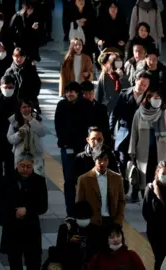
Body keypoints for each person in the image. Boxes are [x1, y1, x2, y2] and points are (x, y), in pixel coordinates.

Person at [0, 153, 48, 270]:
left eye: (28, 167)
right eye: (22, 166)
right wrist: (13, 212)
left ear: (33, 166)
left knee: (34, 262)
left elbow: (43, 206)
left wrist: (27, 210)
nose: (25, 169)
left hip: (31, 229)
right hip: (12, 228)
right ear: (17, 165)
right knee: (14, 262)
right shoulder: (7, 180)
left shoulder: (39, 181)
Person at [110, 71, 150, 198]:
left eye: (145, 85)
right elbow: (114, 113)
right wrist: (111, 130)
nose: (142, 87)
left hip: (141, 135)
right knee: (122, 161)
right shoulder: (124, 94)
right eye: (141, 83)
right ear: (135, 81)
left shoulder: (149, 98)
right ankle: (124, 182)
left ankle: (135, 190)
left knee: (139, 162)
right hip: (125, 132)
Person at [55, 81, 92, 217]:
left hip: (83, 149)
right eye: (68, 91)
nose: (69, 94)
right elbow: (58, 126)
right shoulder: (61, 105)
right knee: (69, 180)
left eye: (72, 91)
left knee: (84, 179)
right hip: (67, 148)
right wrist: (64, 143)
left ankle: (84, 208)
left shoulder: (86, 106)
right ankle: (70, 210)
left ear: (78, 93)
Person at [129, 89, 166, 193]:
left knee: (158, 173)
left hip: (159, 150)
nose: (158, 100)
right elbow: (134, 132)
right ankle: (145, 194)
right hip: (143, 150)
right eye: (155, 98)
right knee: (144, 175)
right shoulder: (139, 113)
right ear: (148, 99)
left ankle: (156, 193)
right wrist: (132, 150)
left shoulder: (163, 113)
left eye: (159, 98)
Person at [76, 148, 126, 227]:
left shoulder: (117, 178)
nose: (103, 163)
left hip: (112, 222)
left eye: (105, 160)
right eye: (100, 160)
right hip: (92, 224)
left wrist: (118, 221)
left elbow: (121, 201)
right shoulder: (83, 180)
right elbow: (80, 203)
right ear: (94, 160)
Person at [56, 200, 104, 270]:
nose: (83, 220)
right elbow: (59, 250)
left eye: (86, 217)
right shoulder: (66, 228)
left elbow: (98, 250)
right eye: (81, 217)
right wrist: (69, 241)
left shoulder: (95, 230)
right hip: (71, 264)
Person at [7, 99, 47, 177]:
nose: (27, 109)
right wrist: (19, 135)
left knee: (37, 178)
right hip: (20, 155)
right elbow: (10, 139)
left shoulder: (36, 118)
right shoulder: (14, 120)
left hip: (36, 154)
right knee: (21, 177)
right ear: (20, 109)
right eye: (24, 107)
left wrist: (31, 120)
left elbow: (42, 133)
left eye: (29, 107)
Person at [96, 48, 128, 114]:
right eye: (115, 61)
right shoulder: (104, 75)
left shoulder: (124, 75)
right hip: (108, 108)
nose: (118, 63)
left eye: (119, 61)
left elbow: (126, 91)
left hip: (121, 108)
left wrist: (121, 78)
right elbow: (99, 95)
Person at [80, 81, 112, 145]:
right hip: (80, 142)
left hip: (97, 142)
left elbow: (105, 127)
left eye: (90, 93)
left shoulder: (102, 108)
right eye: (85, 94)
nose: (88, 96)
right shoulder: (77, 107)